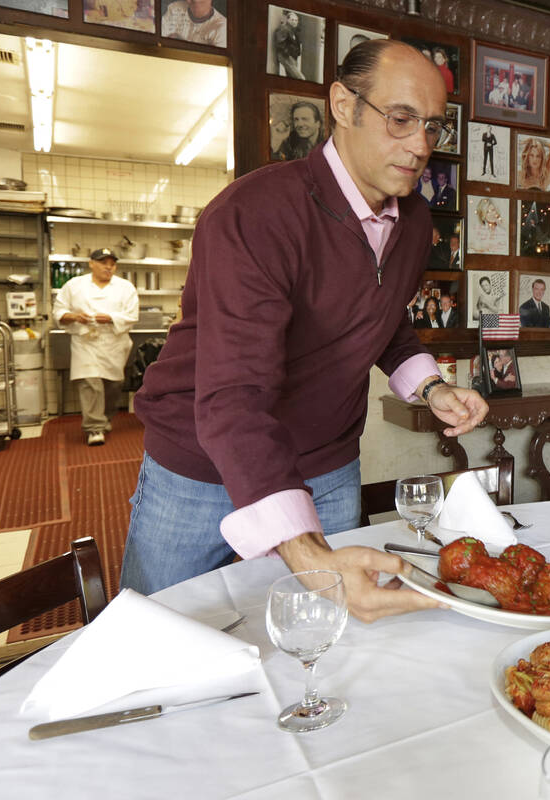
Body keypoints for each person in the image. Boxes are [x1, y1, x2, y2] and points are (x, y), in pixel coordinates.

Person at [122, 40, 488, 622]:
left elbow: (382, 315)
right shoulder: (254, 214)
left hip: (327, 465)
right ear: (343, 104)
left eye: (432, 127)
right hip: (200, 467)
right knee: (159, 646)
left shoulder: (414, 219)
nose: (419, 147)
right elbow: (233, 398)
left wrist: (431, 387)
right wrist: (308, 552)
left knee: (326, 643)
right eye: (400, 119)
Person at [52, 247, 139, 447]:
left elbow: (132, 317)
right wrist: (74, 316)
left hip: (114, 343)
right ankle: (94, 428)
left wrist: (111, 318)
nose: (108, 267)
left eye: (112, 264)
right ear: (91, 263)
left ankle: (105, 419)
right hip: (86, 342)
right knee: (90, 383)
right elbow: (59, 311)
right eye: (103, 263)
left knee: (113, 386)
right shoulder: (74, 285)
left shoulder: (126, 288)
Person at [161, 0, 227, 48]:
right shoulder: (175, 8)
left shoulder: (222, 27)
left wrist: (179, 43)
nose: (188, 1)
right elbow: (159, 41)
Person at [273, 9, 303, 79]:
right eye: (292, 20)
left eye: (296, 20)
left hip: (293, 57)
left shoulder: (293, 30)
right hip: (287, 57)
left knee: (291, 78)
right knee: (300, 78)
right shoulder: (284, 28)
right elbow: (280, 43)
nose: (294, 22)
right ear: (288, 20)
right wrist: (287, 54)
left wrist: (297, 53)